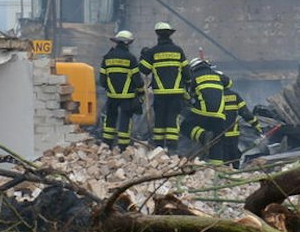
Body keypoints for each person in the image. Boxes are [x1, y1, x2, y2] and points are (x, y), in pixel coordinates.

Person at [139, 22, 190, 150]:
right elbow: (187, 72)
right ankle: (172, 148)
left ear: (158, 35)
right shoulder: (178, 51)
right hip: (176, 92)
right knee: (172, 118)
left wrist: (143, 56)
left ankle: (159, 146)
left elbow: (144, 69)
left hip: (160, 93)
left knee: (160, 119)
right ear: (170, 35)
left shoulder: (153, 52)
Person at [98, 30, 144, 148]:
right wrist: (140, 92)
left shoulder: (107, 58)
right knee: (125, 120)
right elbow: (137, 80)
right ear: (128, 43)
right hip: (127, 97)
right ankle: (123, 147)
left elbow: (102, 80)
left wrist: (110, 89)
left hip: (112, 97)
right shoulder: (131, 58)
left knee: (110, 119)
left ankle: (107, 144)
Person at [186, 58, 229, 157]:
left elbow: (188, 92)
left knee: (185, 126)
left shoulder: (194, 76)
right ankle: (215, 167)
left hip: (202, 113)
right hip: (220, 115)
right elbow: (229, 83)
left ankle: (202, 136)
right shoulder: (217, 75)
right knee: (216, 141)